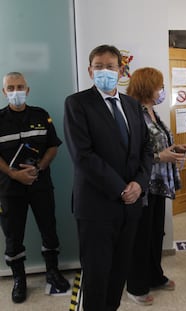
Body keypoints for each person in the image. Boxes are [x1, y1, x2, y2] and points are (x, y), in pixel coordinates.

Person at [64, 45, 153, 311]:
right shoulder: (77, 103)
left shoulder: (132, 105)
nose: (105, 71)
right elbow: (83, 155)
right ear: (90, 71)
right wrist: (120, 189)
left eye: (110, 66)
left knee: (118, 274)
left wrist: (139, 183)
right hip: (96, 207)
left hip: (130, 207)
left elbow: (146, 149)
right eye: (99, 66)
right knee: (97, 276)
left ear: (121, 71)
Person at [0, 72, 70, 303]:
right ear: (4, 92)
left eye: (20, 86)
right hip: (9, 189)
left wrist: (38, 168)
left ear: (27, 90)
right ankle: (19, 279)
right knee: (13, 235)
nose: (15, 91)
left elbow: (53, 147)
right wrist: (13, 173)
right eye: (10, 88)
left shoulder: (41, 115)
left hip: (40, 184)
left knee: (49, 228)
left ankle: (53, 271)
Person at [125, 67, 186, 305]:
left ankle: (154, 275)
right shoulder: (133, 112)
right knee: (140, 237)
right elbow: (130, 153)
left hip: (159, 184)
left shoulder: (153, 111)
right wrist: (159, 157)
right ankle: (135, 285)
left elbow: (162, 144)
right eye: (159, 86)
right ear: (147, 87)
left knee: (155, 234)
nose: (162, 91)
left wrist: (176, 149)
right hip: (143, 184)